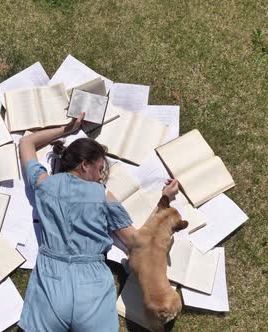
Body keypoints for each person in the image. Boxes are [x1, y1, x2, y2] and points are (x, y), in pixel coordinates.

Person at [17, 112, 179, 332]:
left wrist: (68, 129)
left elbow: (27, 142)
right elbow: (135, 240)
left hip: (50, 279)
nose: (101, 176)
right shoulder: (102, 195)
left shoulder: (44, 184)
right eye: (100, 169)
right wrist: (165, 199)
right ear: (85, 165)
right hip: (90, 284)